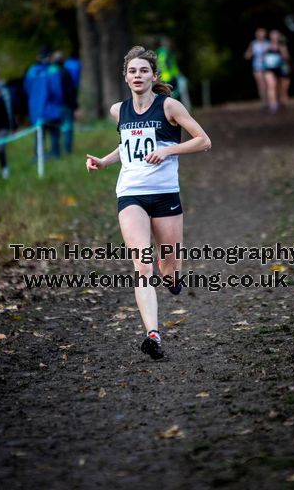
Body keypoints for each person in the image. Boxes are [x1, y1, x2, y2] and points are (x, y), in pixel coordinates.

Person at [86, 46, 211, 360]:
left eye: (144, 71)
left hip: (166, 194)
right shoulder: (119, 110)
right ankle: (153, 334)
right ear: (125, 77)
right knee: (141, 264)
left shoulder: (169, 106)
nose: (138, 76)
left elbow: (203, 140)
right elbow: (127, 147)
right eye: (132, 71)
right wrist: (105, 161)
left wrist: (168, 150)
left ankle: (171, 276)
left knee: (168, 267)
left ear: (154, 76)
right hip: (130, 194)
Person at [24, 49, 63, 159]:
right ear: (49, 57)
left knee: (39, 134)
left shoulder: (32, 71)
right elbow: (57, 90)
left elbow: (26, 88)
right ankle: (55, 154)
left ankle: (38, 155)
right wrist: (58, 103)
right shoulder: (53, 70)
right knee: (54, 132)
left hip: (36, 108)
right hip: (51, 108)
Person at [52, 51, 79, 154]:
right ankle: (67, 151)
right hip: (67, 106)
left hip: (55, 106)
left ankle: (55, 151)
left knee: (55, 129)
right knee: (67, 129)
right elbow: (71, 91)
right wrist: (75, 106)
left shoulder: (51, 73)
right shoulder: (66, 72)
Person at [262, 30, 290, 113]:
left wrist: (282, 51)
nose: (274, 37)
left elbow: (286, 58)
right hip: (268, 68)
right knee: (271, 86)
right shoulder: (267, 46)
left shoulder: (282, 46)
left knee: (281, 86)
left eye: (276, 35)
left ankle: (281, 101)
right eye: (272, 35)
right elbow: (262, 57)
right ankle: (273, 104)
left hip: (280, 68)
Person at [244, 28, 270, 107]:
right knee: (261, 84)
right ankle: (264, 101)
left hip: (268, 66)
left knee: (269, 84)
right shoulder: (253, 44)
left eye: (262, 34)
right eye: (259, 35)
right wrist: (250, 53)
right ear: (257, 35)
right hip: (257, 66)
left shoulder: (268, 43)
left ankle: (271, 100)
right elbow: (247, 56)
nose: (261, 36)